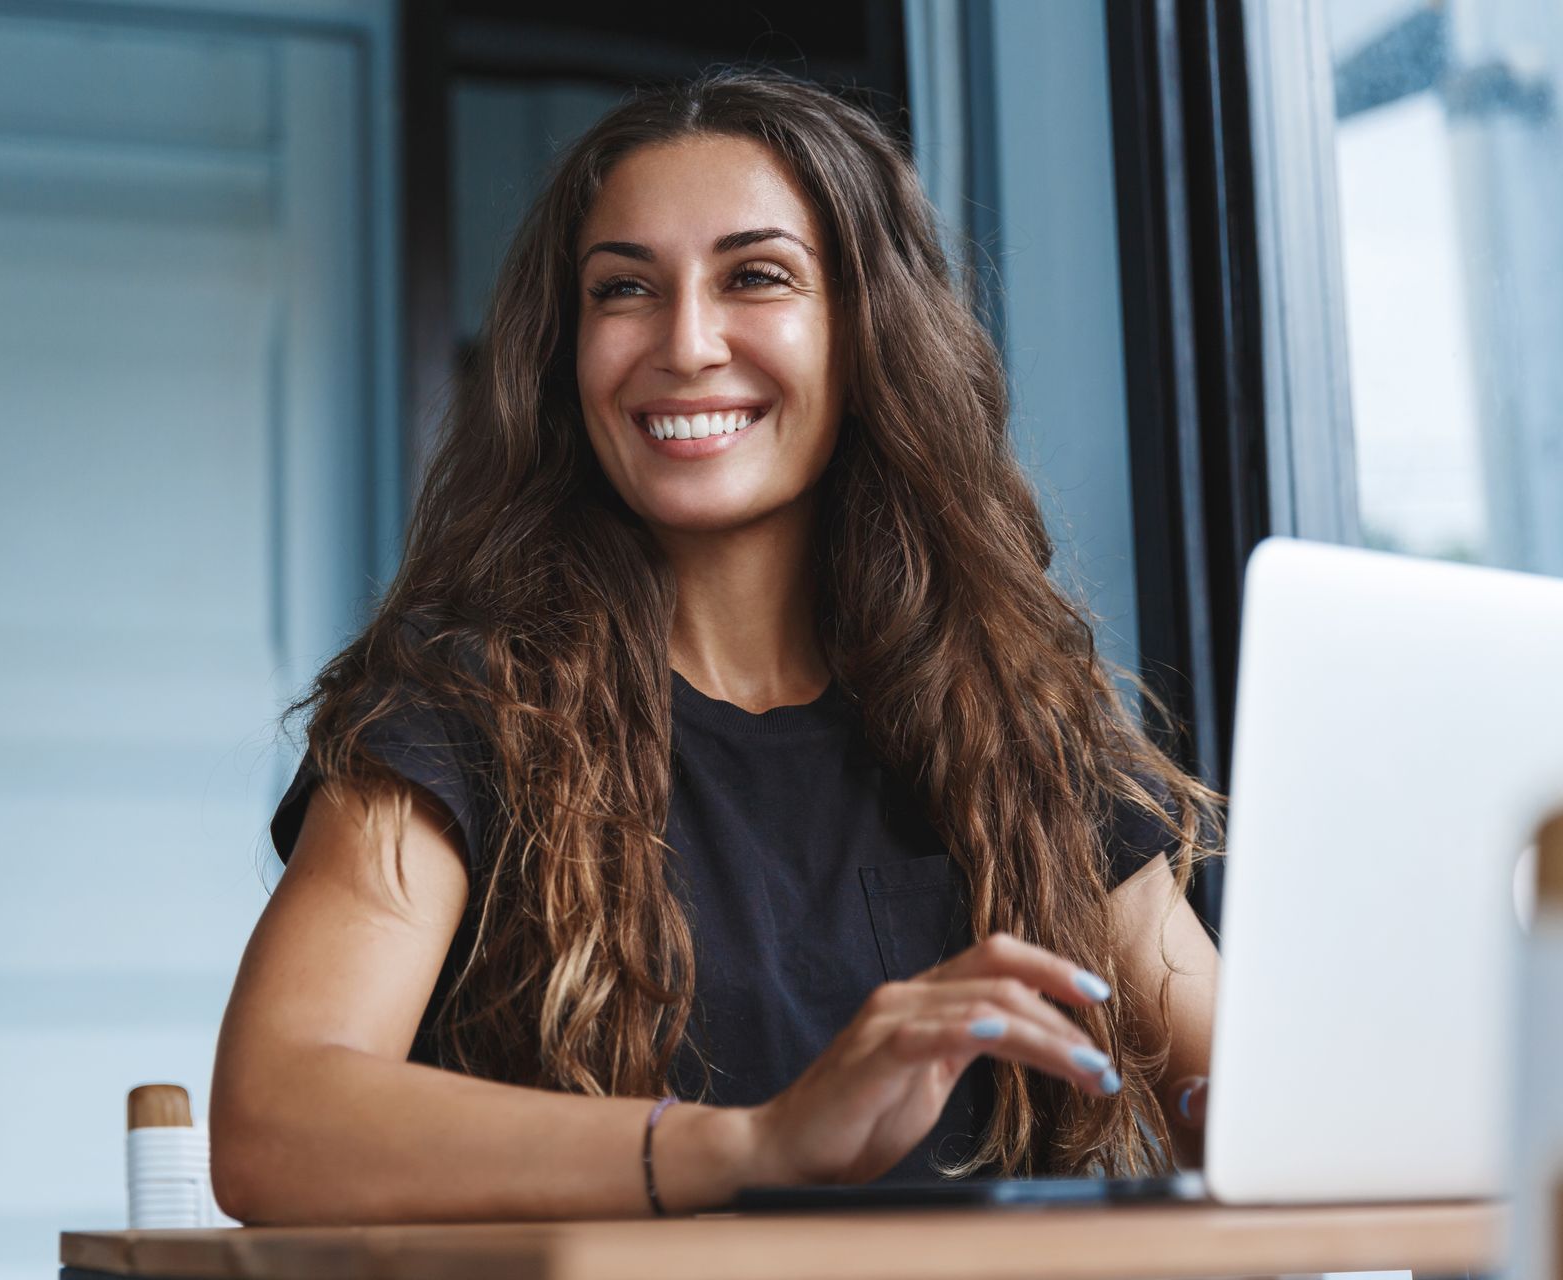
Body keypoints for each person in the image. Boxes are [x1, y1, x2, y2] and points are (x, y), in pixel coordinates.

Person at [210, 65, 1224, 1227]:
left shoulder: (1011, 720)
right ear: (565, 352)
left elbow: (1252, 1102)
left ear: (866, 331)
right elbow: (274, 1120)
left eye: (756, 277)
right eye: (624, 290)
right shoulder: (457, 704)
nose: (686, 343)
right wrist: (757, 1142)